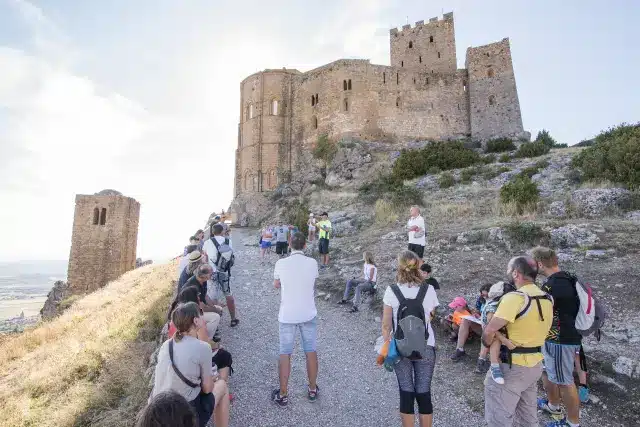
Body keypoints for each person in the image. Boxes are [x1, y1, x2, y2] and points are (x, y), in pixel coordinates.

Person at [482, 256, 553, 427]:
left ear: (515, 273)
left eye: (509, 270)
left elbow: (490, 331)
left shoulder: (515, 298)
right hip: (534, 365)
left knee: (499, 419)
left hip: (511, 367)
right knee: (527, 417)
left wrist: (486, 342)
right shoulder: (547, 298)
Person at [381, 250, 439, 427]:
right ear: (418, 266)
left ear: (399, 266)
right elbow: (431, 316)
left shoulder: (392, 291)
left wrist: (386, 346)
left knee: (406, 391)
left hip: (401, 346)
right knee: (424, 392)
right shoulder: (428, 289)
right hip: (426, 346)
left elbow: (386, 325)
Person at [151, 302, 229, 427]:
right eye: (201, 314)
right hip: (184, 414)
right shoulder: (203, 347)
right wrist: (211, 379)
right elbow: (207, 388)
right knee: (222, 386)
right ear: (196, 320)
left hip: (157, 412)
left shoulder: (166, 345)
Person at [532, 247, 583, 427]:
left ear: (539, 264)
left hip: (560, 340)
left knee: (565, 382)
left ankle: (572, 422)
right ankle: (553, 405)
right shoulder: (569, 278)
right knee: (549, 373)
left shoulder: (551, 285)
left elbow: (541, 314)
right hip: (558, 337)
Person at [272, 232, 319, 406]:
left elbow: (276, 284)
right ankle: (312, 388)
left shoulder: (281, 263)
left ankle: (283, 393)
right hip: (308, 312)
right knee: (310, 350)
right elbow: (313, 283)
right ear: (305, 245)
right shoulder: (312, 263)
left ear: (290, 244)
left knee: (285, 353)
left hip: (287, 314)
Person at [166, 286, 234, 382]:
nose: (199, 298)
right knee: (225, 356)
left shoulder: (177, 317)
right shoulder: (196, 325)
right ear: (195, 319)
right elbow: (205, 344)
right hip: (193, 366)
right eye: (197, 296)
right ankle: (221, 385)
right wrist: (217, 346)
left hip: (178, 365)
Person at [476, 281, 517, 383]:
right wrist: (504, 340)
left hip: (491, 333)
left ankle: (487, 363)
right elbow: (492, 327)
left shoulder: (496, 304)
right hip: (492, 334)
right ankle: (494, 366)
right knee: (496, 341)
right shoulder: (493, 307)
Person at [203, 224, 239, 327]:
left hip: (212, 274)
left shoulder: (207, 242)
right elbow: (231, 256)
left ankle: (216, 323)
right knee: (228, 295)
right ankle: (233, 319)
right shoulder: (228, 241)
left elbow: (205, 258)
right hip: (224, 273)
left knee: (213, 297)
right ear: (222, 231)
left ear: (212, 232)